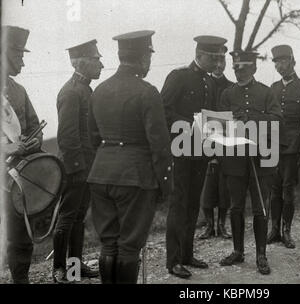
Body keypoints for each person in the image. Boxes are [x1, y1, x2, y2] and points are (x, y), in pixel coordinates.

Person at [87, 30, 172, 284]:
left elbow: (93, 137)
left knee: (109, 244)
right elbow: (160, 146)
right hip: (135, 178)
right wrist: (165, 185)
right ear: (143, 57)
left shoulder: (99, 90)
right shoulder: (147, 92)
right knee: (129, 247)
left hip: (101, 174)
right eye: (149, 55)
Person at [162, 35, 227, 279]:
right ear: (199, 55)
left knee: (192, 204)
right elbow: (164, 110)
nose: (217, 63)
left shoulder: (209, 82)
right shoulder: (179, 77)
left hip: (200, 152)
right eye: (213, 57)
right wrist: (189, 127)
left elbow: (211, 116)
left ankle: (187, 254)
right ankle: (174, 260)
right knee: (179, 204)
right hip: (180, 151)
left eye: (219, 58)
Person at [218, 50, 282, 275]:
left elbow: (276, 120)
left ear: (254, 68)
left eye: (243, 67)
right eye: (235, 67)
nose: (238, 71)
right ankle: (238, 251)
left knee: (260, 207)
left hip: (260, 159)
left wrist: (253, 120)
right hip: (234, 159)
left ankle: (261, 254)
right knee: (235, 206)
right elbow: (218, 125)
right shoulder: (227, 94)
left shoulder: (266, 92)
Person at [52, 39, 103, 283]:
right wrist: (78, 170)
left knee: (78, 217)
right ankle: (59, 269)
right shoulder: (71, 92)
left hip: (87, 167)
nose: (101, 64)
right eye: (96, 59)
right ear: (82, 63)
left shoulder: (85, 90)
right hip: (75, 169)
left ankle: (75, 267)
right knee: (67, 217)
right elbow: (67, 138)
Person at [1, 25, 42, 284]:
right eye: (18, 55)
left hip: (15, 179)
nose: (23, 62)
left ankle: (21, 279)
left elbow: (34, 128)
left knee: (20, 233)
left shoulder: (19, 92)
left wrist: (31, 142)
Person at [267, 45, 300, 249]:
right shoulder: (273, 88)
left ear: (292, 61)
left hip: (292, 147)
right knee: (274, 189)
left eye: (283, 61)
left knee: (288, 189)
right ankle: (274, 229)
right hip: (273, 146)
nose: (279, 66)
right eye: (276, 62)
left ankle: (286, 231)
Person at [199, 47, 233, 240]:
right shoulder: (204, 83)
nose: (219, 66)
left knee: (224, 185)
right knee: (208, 184)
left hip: (226, 139)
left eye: (223, 62)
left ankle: (222, 224)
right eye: (216, 62)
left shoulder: (230, 86)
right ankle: (209, 225)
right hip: (205, 137)